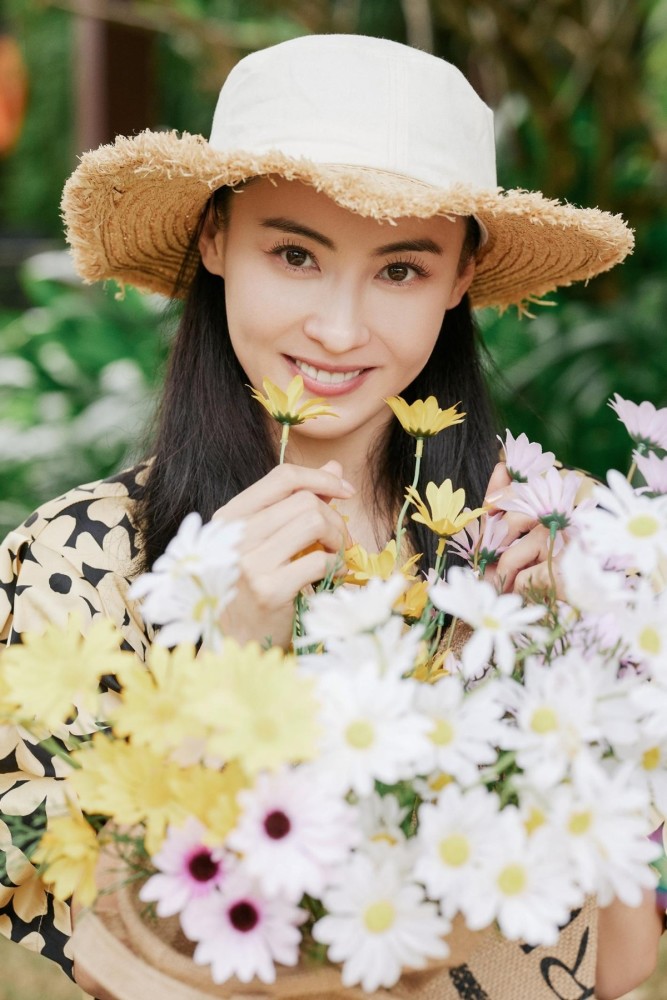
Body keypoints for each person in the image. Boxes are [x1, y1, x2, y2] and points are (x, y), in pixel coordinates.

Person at [0, 32, 662, 1000]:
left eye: (401, 269)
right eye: (295, 254)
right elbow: (74, 958)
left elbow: (623, 967)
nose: (341, 329)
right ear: (214, 240)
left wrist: (596, 649)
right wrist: (227, 676)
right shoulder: (78, 560)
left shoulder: (545, 537)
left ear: (461, 277)